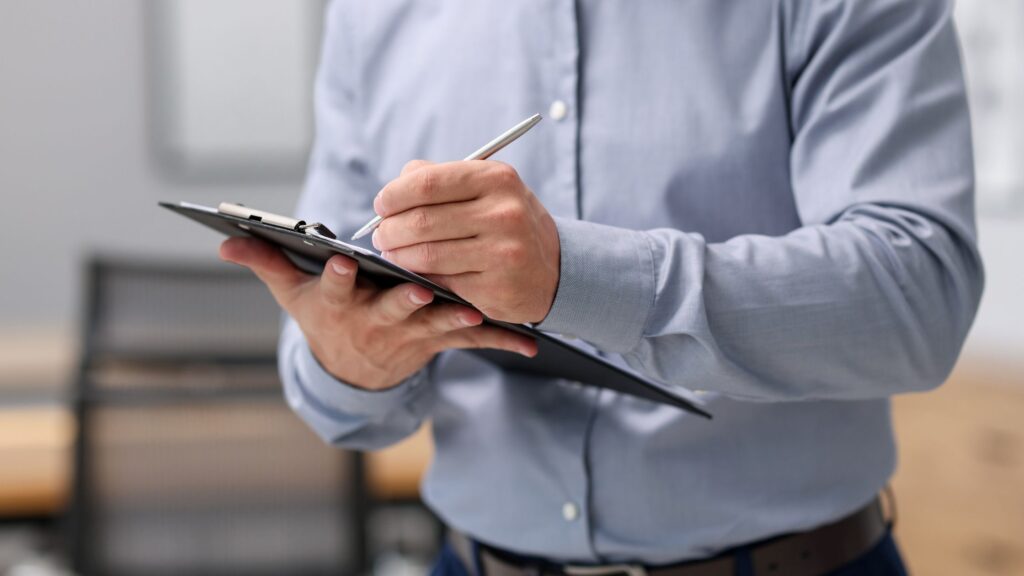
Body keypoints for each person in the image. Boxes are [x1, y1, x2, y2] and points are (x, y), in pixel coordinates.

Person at [220, 1, 984, 574]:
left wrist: (575, 280)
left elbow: (920, 296)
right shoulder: (371, 13)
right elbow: (332, 383)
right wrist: (352, 357)